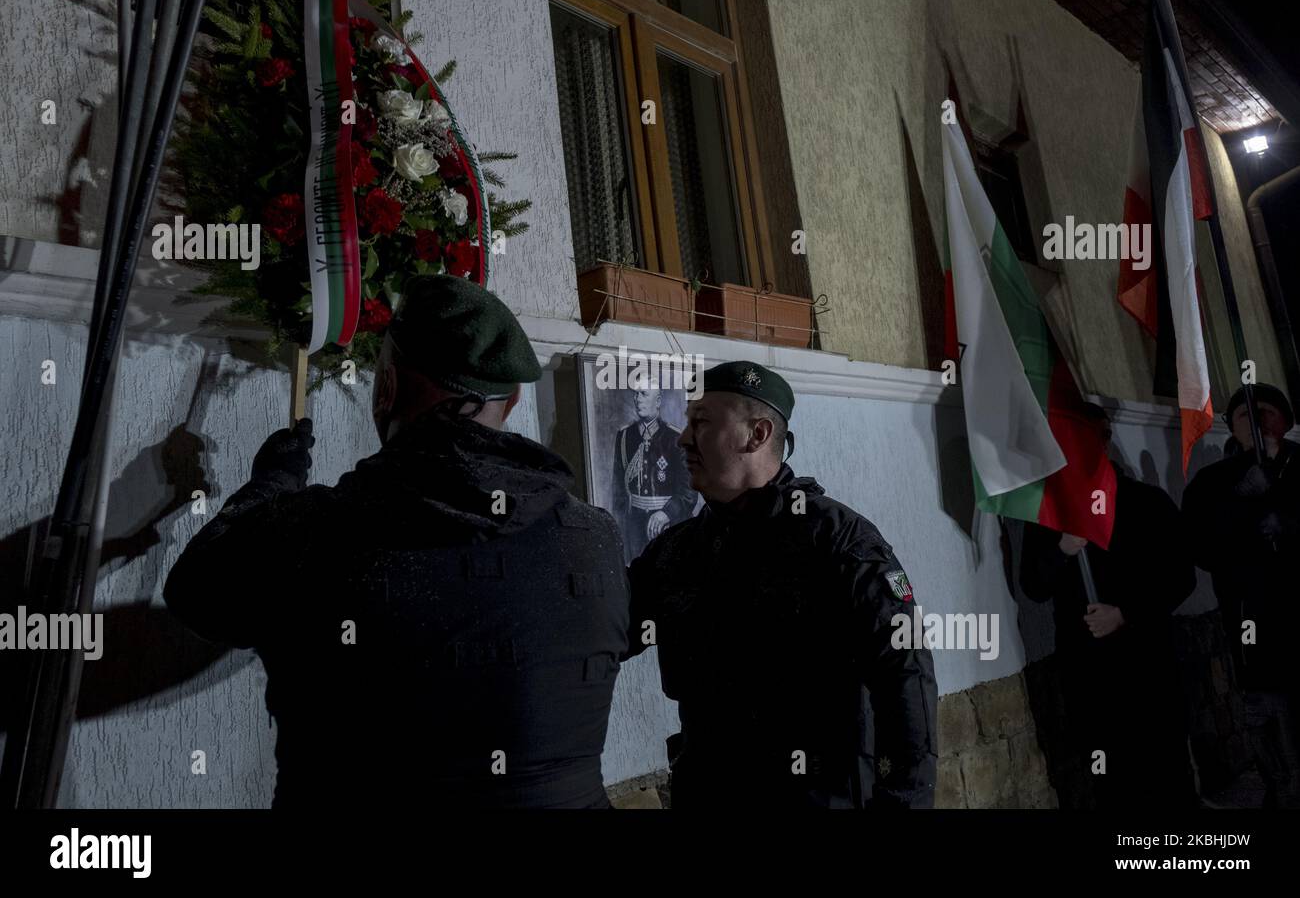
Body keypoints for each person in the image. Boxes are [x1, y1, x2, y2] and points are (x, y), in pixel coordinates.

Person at [164, 275, 629, 808]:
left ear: (385, 388)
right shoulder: (598, 537)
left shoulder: (313, 529)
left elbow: (196, 595)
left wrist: (271, 485)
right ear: (516, 397)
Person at [624, 361, 938, 808]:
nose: (683, 437)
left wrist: (904, 801)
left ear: (758, 435)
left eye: (702, 422)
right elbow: (606, 630)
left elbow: (905, 678)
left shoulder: (839, 542)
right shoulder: (679, 550)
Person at [1020, 405, 1197, 808]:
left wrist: (1127, 613)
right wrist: (1062, 548)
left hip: (1148, 663)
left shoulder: (1146, 503)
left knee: (1166, 772)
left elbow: (1180, 576)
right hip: (1089, 673)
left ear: (1105, 440)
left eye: (1090, 436)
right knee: (1108, 778)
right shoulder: (1050, 513)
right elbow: (1033, 585)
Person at [1182, 382, 1300, 808]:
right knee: (1268, 711)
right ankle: (1282, 785)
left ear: (1285, 421)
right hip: (1252, 620)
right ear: (1232, 427)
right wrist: (1241, 497)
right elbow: (1200, 547)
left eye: (1266, 411)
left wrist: (1289, 525)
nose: (1258, 421)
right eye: (1246, 415)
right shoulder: (1212, 483)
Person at [609, 387, 697, 562]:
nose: (637, 399)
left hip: (670, 524)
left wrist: (666, 513)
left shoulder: (676, 438)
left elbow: (689, 490)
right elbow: (619, 490)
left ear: (657, 401)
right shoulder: (624, 436)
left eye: (644, 394)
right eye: (636, 394)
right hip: (634, 527)